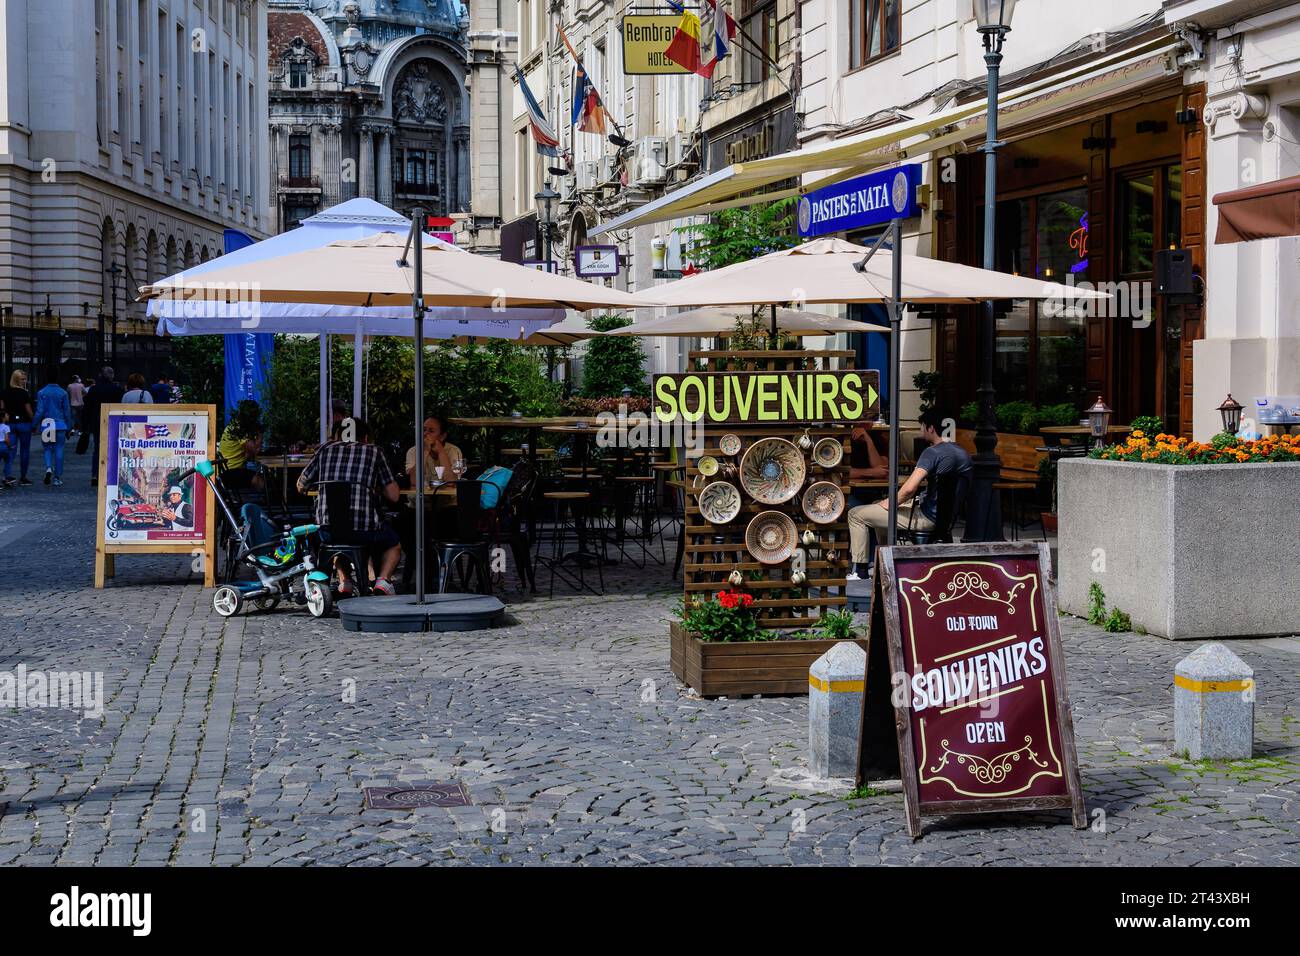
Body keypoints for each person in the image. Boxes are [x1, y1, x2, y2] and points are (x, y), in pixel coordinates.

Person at [846, 408, 972, 581]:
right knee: (877, 502)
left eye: (922, 427)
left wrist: (889, 504)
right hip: (946, 519)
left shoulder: (932, 452)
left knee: (856, 514)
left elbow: (908, 489)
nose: (921, 431)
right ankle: (884, 562)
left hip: (925, 518)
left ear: (931, 428)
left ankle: (859, 571)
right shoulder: (962, 453)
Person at [297, 417, 402, 596]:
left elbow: (301, 485)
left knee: (337, 539)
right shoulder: (375, 451)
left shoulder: (324, 449)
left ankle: (345, 581)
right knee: (394, 545)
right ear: (366, 437)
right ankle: (383, 582)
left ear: (338, 436)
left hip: (328, 529)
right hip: (364, 530)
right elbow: (394, 495)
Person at [82, 367, 124, 487]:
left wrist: (85, 425)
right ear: (112, 376)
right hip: (113, 422)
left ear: (101, 375)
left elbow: (87, 408)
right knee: (113, 449)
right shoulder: (117, 390)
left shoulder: (94, 389)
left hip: (97, 422)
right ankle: (109, 474)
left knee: (97, 449)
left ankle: (95, 474)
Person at [33, 367, 72, 487]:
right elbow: (67, 412)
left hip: (46, 424)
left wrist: (34, 424)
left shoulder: (41, 392)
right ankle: (57, 477)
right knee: (59, 450)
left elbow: (39, 411)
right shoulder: (63, 393)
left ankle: (48, 467)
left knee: (47, 449)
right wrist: (69, 427)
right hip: (60, 424)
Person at [217, 399, 265, 491]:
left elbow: (249, 454)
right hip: (230, 472)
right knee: (261, 481)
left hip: (229, 470)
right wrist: (260, 433)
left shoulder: (236, 426)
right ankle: (265, 504)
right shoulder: (239, 429)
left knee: (262, 477)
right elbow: (254, 450)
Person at [406, 413, 463, 484]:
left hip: (446, 494)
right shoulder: (413, 451)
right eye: (424, 430)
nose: (425, 434)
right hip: (421, 495)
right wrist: (425, 451)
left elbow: (451, 481)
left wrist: (441, 451)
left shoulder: (454, 450)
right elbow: (414, 481)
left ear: (442, 436)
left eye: (431, 431)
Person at [3, 369, 34, 485]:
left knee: (11, 450)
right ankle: (23, 477)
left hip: (10, 424)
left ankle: (7, 475)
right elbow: (28, 410)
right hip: (24, 423)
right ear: (17, 379)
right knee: (25, 451)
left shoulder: (5, 392)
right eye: (23, 379)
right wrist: (34, 423)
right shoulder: (24, 393)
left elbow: (2, 409)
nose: (25, 381)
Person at [0, 408, 14, 489]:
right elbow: (6, 439)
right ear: (3, 418)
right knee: (8, 461)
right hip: (3, 446)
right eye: (7, 415)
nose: (8, 416)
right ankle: (7, 478)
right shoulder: (6, 427)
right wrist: (10, 446)